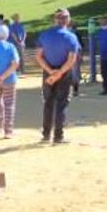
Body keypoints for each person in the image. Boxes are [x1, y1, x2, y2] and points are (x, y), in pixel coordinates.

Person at [37, 8, 80, 144]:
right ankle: (58, 136)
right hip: (64, 72)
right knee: (61, 103)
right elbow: (71, 59)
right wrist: (59, 73)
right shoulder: (71, 37)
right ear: (67, 20)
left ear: (55, 19)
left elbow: (38, 56)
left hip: (48, 71)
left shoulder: (44, 35)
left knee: (48, 102)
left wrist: (50, 72)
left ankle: (46, 134)